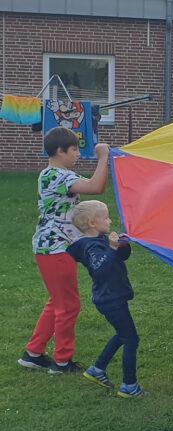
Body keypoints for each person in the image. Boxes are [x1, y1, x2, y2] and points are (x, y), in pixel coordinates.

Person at [18, 127, 110, 374]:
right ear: (60, 151)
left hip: (51, 246)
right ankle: (62, 362)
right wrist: (103, 157)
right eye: (74, 149)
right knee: (69, 305)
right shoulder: (57, 175)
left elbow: (88, 187)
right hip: (55, 248)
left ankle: (33, 353)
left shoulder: (55, 174)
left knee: (57, 302)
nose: (78, 154)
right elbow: (96, 186)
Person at [67, 201, 144, 397]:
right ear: (93, 223)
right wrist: (111, 247)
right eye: (106, 217)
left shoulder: (100, 239)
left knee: (122, 334)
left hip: (113, 296)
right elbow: (100, 269)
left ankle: (97, 369)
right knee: (131, 339)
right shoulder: (90, 246)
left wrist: (122, 246)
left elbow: (121, 257)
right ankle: (129, 386)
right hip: (110, 300)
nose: (109, 220)